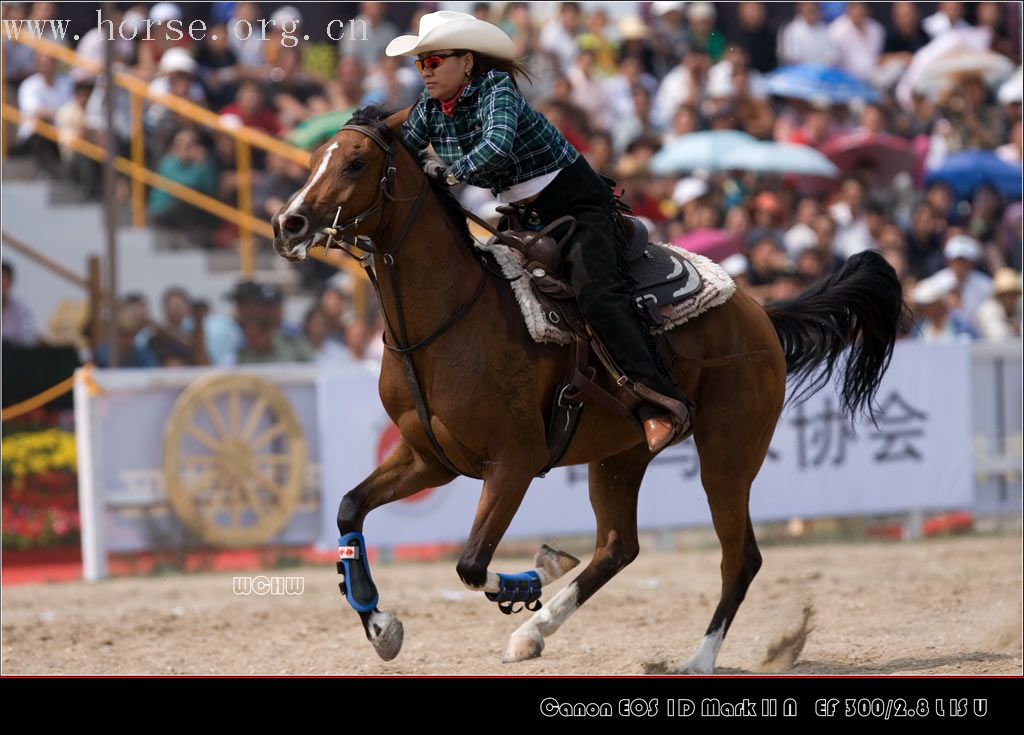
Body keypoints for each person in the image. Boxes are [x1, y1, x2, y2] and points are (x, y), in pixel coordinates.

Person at [387, 10, 692, 452]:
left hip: (577, 205)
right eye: (421, 64)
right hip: (523, 216)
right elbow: (402, 149)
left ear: (467, 62)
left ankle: (658, 404)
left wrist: (449, 173)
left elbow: (495, 147)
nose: (426, 72)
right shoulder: (431, 108)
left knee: (598, 296)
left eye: (434, 62)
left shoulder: (497, 90)